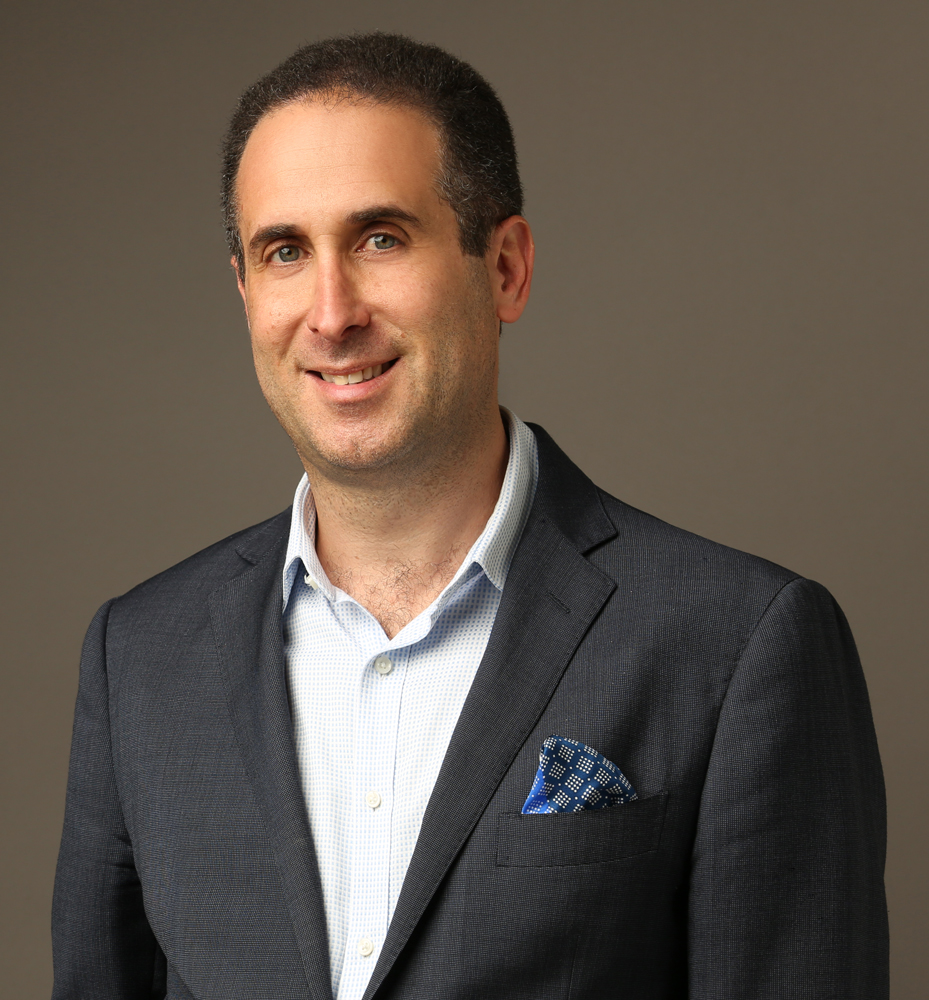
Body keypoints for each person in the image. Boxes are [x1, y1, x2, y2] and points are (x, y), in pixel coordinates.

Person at [51, 32, 888, 1000]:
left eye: (379, 238)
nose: (331, 312)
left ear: (505, 269)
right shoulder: (139, 657)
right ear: (245, 291)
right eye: (285, 251)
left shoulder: (736, 642)